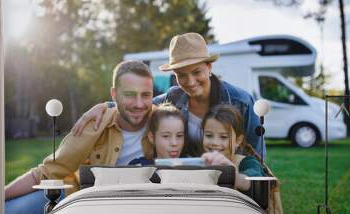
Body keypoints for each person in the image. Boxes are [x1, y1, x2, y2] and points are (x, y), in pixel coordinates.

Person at [72, 32, 264, 158]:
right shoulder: (173, 98)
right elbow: (141, 105)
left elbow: (256, 156)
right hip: (187, 181)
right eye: (181, 75)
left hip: (231, 183)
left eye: (196, 72)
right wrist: (105, 106)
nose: (190, 81)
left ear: (209, 67)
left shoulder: (241, 102)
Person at [5, 60, 155, 214]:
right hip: (78, 198)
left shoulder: (166, 122)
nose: (139, 104)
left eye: (146, 95)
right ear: (114, 94)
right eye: (129, 94)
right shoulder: (95, 124)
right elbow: (47, 172)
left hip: (132, 208)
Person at [201, 104, 265, 191]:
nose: (215, 143)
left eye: (223, 137)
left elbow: (255, 179)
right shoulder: (198, 162)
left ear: (238, 141)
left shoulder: (248, 162)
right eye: (208, 135)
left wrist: (234, 176)